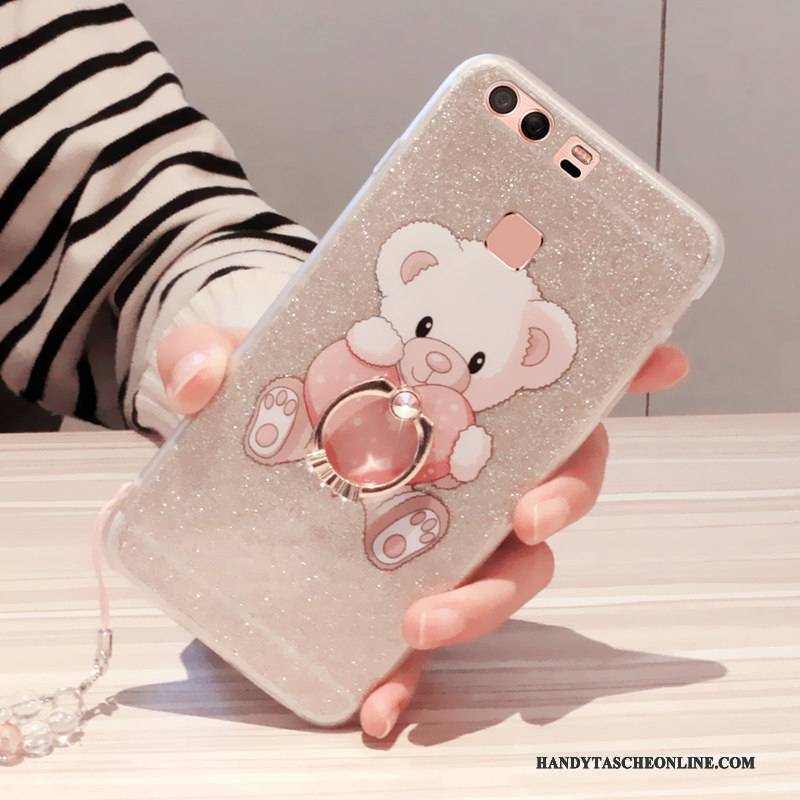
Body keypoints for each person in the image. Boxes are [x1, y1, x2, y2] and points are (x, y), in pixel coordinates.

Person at [0, 0, 688, 739]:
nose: (441, 354)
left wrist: (251, 356)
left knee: (394, 454)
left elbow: (144, 216)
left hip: (362, 426)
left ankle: (352, 485)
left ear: (531, 354)